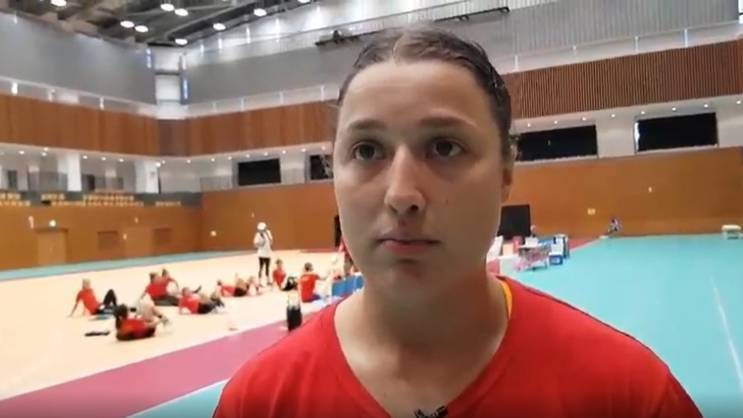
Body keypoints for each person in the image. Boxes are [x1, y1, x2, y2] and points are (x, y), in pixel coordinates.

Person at [214, 27, 700, 418]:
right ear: (332, 173)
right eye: (367, 150)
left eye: (444, 147)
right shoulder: (258, 402)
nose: (401, 194)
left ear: (506, 172)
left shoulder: (628, 395)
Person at [253, 222, 273, 286]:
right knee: (261, 267)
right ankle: (259, 282)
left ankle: (268, 281)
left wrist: (269, 241)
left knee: (267, 267)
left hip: (268, 253)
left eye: (262, 229)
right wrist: (261, 244)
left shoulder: (268, 232)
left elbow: (271, 241)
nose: (261, 231)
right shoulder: (258, 234)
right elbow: (255, 244)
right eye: (260, 230)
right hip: (261, 253)